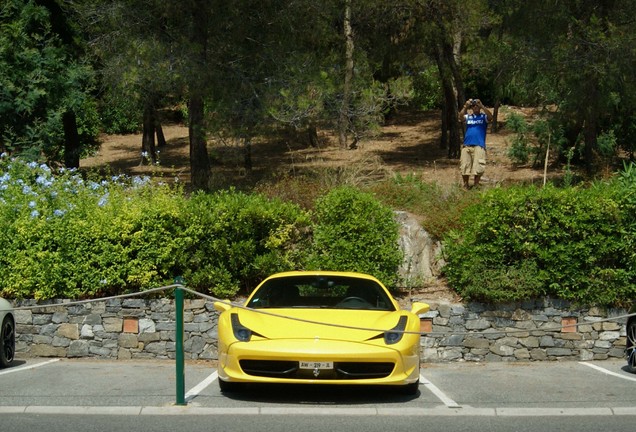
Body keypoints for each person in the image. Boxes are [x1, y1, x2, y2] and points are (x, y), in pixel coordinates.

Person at [458, 98, 493, 188]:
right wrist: (465, 106)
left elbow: (490, 117)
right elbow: (461, 117)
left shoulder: (483, 117)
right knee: (465, 165)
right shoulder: (468, 117)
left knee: (478, 167)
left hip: (479, 145)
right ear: (471, 107)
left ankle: (476, 185)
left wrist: (482, 106)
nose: (475, 107)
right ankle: (466, 185)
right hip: (467, 145)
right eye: (473, 105)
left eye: (477, 105)